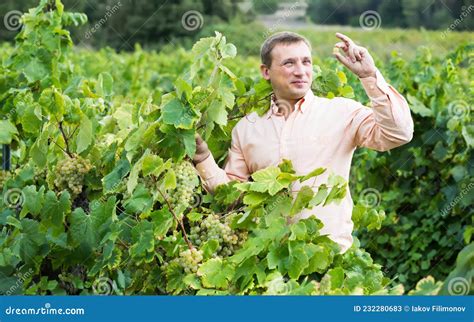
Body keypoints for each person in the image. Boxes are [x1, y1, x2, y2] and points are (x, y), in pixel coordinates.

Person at [192, 31, 414, 253]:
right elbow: (234, 197)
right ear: (266, 72)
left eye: (306, 62)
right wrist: (204, 159)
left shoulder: (341, 112)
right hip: (268, 260)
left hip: (329, 258)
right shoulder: (247, 128)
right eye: (289, 63)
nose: (300, 71)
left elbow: (398, 133)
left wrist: (369, 76)